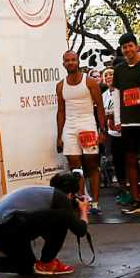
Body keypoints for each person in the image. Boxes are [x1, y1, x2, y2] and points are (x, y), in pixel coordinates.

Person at [0, 171, 90, 278]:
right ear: (70, 194)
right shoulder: (61, 198)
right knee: (63, 217)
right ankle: (47, 263)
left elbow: (44, 225)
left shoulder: (43, 193)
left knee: (28, 268)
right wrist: (83, 210)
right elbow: (80, 230)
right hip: (8, 226)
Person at [108, 33, 140, 212]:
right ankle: (136, 200)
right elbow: (117, 95)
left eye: (130, 46)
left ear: (137, 46)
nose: (127, 50)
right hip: (127, 123)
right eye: (124, 47)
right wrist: (119, 120)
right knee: (130, 161)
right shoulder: (119, 69)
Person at [55, 47, 105, 203]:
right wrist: (59, 136)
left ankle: (95, 202)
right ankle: (83, 198)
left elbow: (100, 107)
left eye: (73, 59)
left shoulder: (89, 82)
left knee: (91, 163)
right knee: (75, 164)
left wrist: (102, 130)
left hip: (87, 125)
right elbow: (61, 112)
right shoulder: (60, 86)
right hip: (69, 127)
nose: (70, 62)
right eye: (67, 60)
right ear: (63, 64)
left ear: (78, 61)